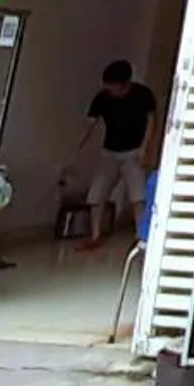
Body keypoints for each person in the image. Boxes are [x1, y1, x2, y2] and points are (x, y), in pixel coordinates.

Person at [69, 59, 159, 252]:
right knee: (97, 193)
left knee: (138, 195)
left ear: (124, 83)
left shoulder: (142, 95)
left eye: (113, 85)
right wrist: (77, 146)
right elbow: (90, 123)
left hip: (134, 151)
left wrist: (145, 148)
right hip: (109, 152)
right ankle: (95, 236)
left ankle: (140, 236)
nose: (110, 89)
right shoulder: (102, 98)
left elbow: (152, 122)